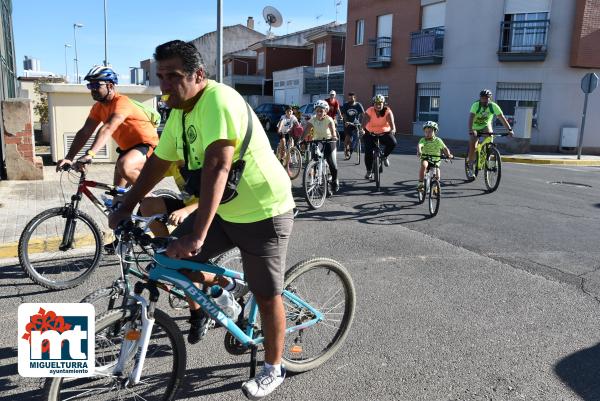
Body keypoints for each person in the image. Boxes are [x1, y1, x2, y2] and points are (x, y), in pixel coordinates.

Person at [108, 40, 295, 400]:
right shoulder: (178, 111)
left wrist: (197, 234)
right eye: (160, 76)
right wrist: (126, 206)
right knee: (175, 261)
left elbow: (217, 166)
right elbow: (158, 164)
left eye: (173, 76)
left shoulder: (218, 101)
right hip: (225, 209)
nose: (164, 84)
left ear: (198, 75)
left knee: (268, 294)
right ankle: (226, 296)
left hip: (263, 211)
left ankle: (275, 367)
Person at [57, 66, 159, 187]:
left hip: (146, 146)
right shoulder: (98, 108)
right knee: (118, 197)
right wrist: (69, 157)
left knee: (125, 166)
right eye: (90, 86)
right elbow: (85, 131)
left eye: (96, 85)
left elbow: (108, 128)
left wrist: (90, 154)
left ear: (110, 86)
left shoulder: (122, 102)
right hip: (126, 150)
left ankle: (154, 201)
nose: (92, 90)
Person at [467, 89, 513, 177]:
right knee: (473, 145)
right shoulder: (476, 105)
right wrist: (471, 130)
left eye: (487, 98)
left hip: (485, 126)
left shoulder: (493, 106)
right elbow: (471, 118)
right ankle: (470, 167)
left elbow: (502, 118)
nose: (485, 100)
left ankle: (489, 160)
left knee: (490, 141)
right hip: (475, 127)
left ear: (490, 98)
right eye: (483, 98)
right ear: (480, 98)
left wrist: (509, 130)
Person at [304, 100, 339, 192]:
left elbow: (332, 130)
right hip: (317, 141)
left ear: (326, 111)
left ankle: (335, 181)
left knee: (332, 163)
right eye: (317, 111)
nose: (319, 113)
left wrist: (334, 136)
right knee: (314, 160)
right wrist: (301, 139)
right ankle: (317, 177)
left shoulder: (329, 119)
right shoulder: (313, 119)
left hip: (329, 141)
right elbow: (306, 131)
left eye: (321, 111)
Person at [362, 94, 397, 179]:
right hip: (370, 133)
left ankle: (384, 156)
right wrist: (362, 129)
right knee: (368, 152)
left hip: (384, 133)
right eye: (376, 103)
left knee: (393, 142)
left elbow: (392, 125)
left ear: (383, 104)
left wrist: (393, 130)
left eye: (380, 103)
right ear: (373, 104)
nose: (378, 105)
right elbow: (364, 122)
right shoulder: (369, 110)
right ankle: (369, 171)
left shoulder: (387, 111)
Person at [417, 121, 453, 191]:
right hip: (426, 158)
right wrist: (420, 151)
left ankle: (435, 187)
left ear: (435, 132)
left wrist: (448, 155)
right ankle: (420, 183)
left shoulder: (438, 140)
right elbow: (419, 145)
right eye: (426, 132)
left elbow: (444, 148)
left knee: (437, 175)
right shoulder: (423, 140)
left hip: (436, 160)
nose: (427, 134)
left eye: (430, 132)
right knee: (424, 165)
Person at [340, 92, 365, 160]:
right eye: (349, 98)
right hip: (347, 123)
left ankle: (351, 149)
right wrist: (346, 121)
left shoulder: (358, 105)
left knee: (357, 136)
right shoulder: (346, 105)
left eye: (352, 98)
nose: (350, 100)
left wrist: (363, 123)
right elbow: (343, 114)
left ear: (355, 98)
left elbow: (364, 114)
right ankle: (346, 147)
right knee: (348, 137)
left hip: (356, 123)